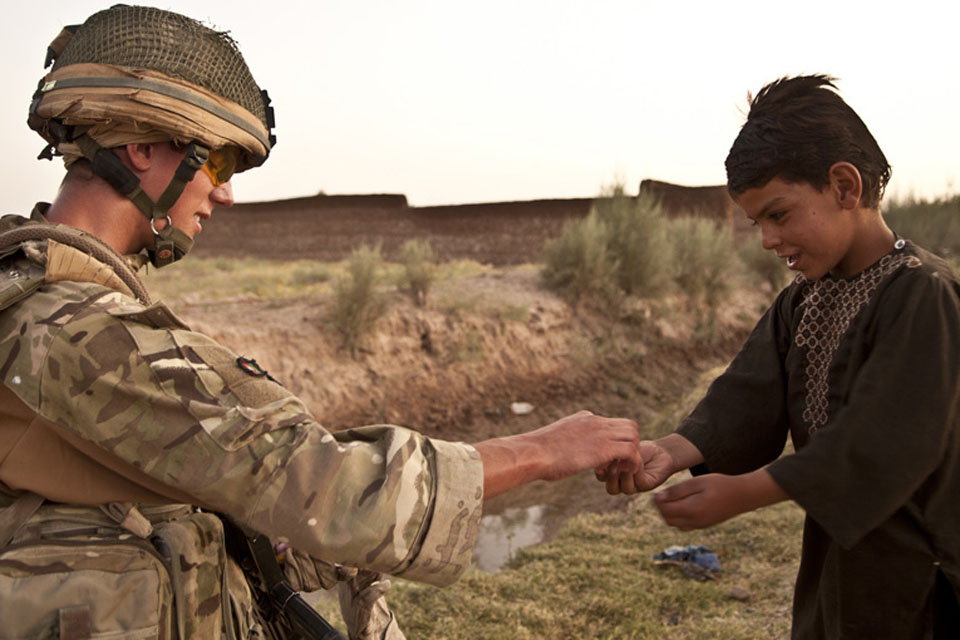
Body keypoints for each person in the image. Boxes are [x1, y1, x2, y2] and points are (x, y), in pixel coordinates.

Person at [0, 6, 643, 640]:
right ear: (139, 147)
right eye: (219, 164)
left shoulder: (42, 297)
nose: (225, 194)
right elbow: (318, 481)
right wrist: (544, 450)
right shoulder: (70, 325)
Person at [599, 75, 960, 638]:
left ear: (845, 186)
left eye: (779, 214)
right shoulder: (804, 301)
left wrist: (747, 491)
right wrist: (667, 452)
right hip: (840, 561)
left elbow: (886, 440)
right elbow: (748, 393)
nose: (766, 239)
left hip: (925, 566)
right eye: (755, 223)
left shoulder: (924, 294)